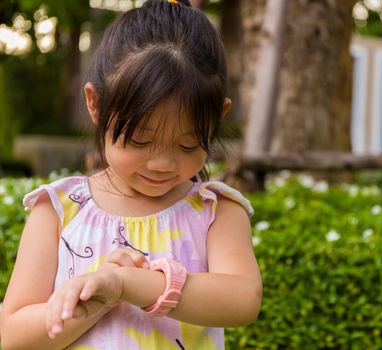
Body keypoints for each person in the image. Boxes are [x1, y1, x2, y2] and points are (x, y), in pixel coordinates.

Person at [0, 0, 262, 348]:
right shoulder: (60, 210)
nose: (162, 164)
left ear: (218, 116)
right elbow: (12, 335)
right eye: (140, 140)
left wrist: (127, 284)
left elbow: (242, 300)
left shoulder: (215, 212)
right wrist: (97, 299)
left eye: (186, 146)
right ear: (96, 105)